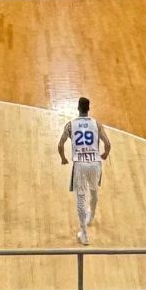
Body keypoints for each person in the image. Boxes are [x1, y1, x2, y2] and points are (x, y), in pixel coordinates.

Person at [57, 95, 110, 245]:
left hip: (80, 164)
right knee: (94, 192)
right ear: (88, 109)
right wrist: (105, 154)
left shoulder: (70, 125)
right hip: (95, 163)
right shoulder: (97, 124)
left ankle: (84, 233)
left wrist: (63, 158)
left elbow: (60, 144)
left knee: (81, 197)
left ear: (78, 108)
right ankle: (91, 216)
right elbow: (108, 144)